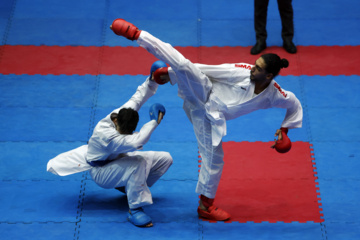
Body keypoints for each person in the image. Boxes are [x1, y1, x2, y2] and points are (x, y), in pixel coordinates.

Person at [110, 18, 303, 221]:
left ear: (269, 76)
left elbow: (294, 104)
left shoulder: (275, 95)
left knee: (214, 159)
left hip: (209, 119)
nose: (252, 69)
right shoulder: (242, 72)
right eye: (254, 65)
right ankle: (137, 34)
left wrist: (285, 129)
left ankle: (205, 206)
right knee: (184, 65)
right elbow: (206, 69)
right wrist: (169, 73)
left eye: (257, 68)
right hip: (202, 92)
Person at [47, 63, 173, 228]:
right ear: (114, 121)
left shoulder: (124, 113)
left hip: (118, 160)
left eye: (129, 131)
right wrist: (154, 122)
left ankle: (131, 188)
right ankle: (134, 209)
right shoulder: (107, 135)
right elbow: (138, 141)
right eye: (123, 131)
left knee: (165, 158)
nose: (125, 134)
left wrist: (152, 79)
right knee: (139, 163)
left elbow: (139, 96)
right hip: (102, 172)